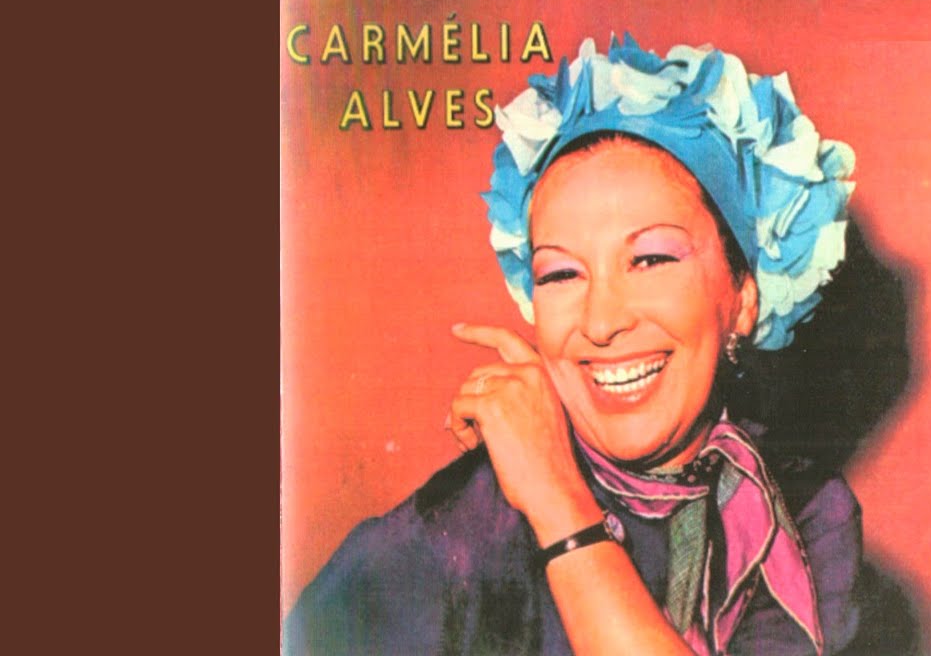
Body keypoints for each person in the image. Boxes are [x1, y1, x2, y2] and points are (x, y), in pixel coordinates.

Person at [284, 34, 864, 655]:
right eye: (562, 273)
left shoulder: (805, 511)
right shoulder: (443, 535)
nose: (601, 322)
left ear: (743, 299)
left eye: (650, 259)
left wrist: (561, 508)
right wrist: (550, 493)